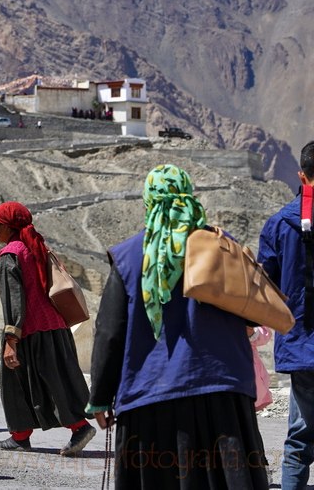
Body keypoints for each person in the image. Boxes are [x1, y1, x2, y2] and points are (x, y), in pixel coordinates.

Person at [89, 164, 269, 489]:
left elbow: (110, 332)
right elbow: (255, 312)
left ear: (149, 201)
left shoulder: (129, 257)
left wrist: (101, 398)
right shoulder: (222, 246)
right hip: (223, 397)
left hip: (150, 400)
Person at [0, 201, 95, 456]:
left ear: (6, 226)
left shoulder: (10, 255)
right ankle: (21, 435)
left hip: (30, 331)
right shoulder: (35, 246)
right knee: (55, 379)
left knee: (25, 381)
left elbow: (14, 302)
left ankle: (79, 427)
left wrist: (10, 339)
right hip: (55, 327)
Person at [259, 140, 314, 489]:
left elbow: (264, 289)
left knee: (299, 440)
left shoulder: (279, 225)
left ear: (301, 174)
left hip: (301, 346)